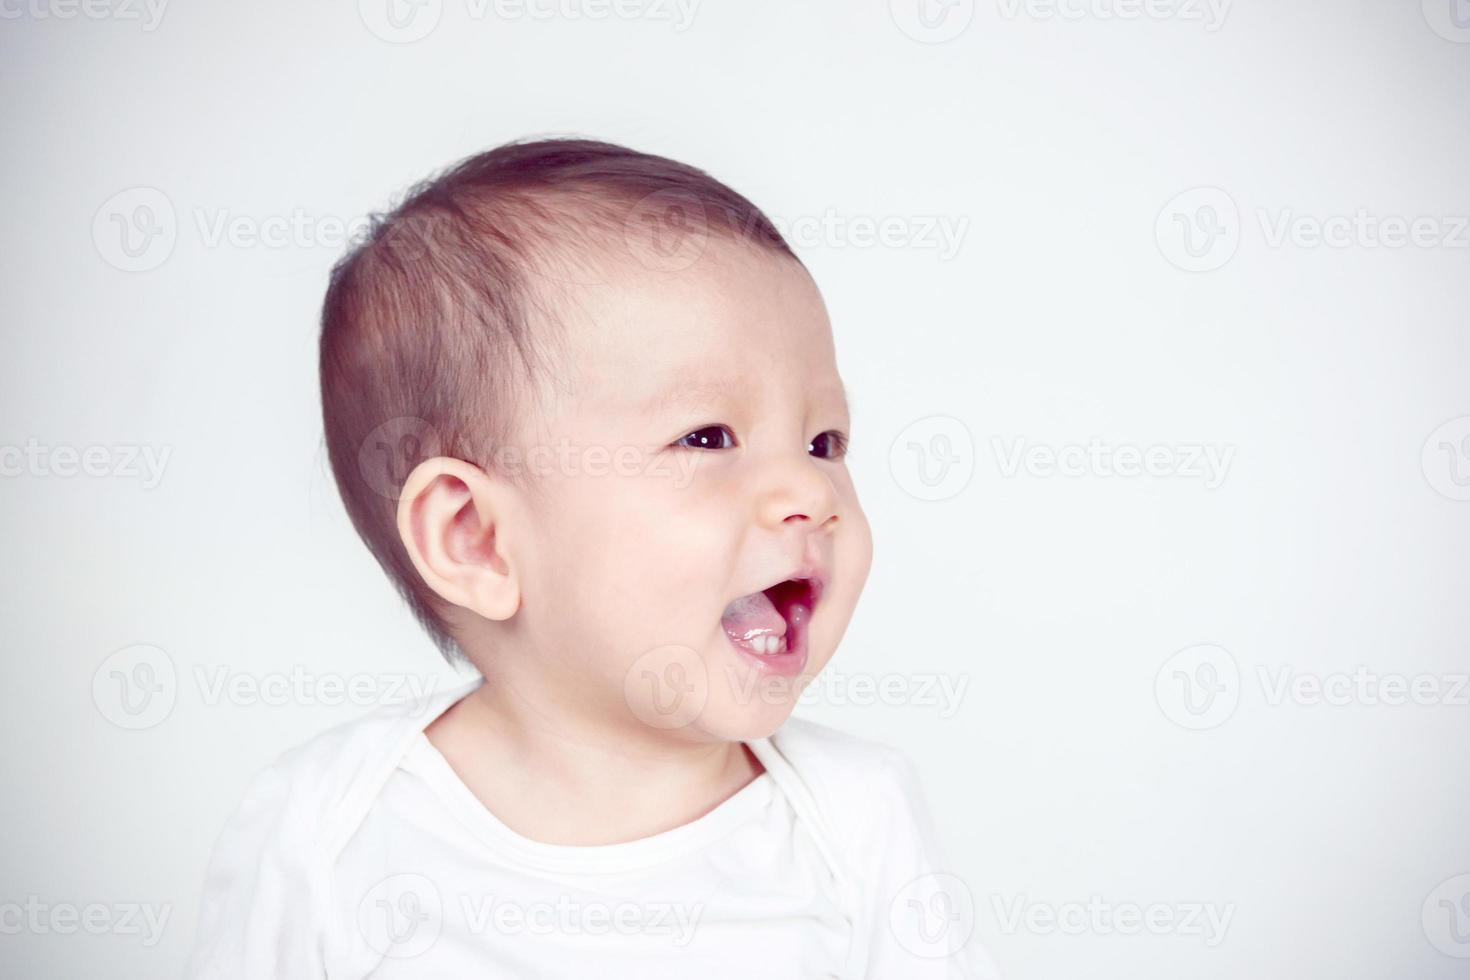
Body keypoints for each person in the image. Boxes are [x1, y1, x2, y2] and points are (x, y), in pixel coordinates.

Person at [186, 137, 1000, 979]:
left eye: (825, 440)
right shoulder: (328, 831)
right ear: (476, 539)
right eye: (708, 436)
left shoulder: (857, 822)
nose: (809, 489)